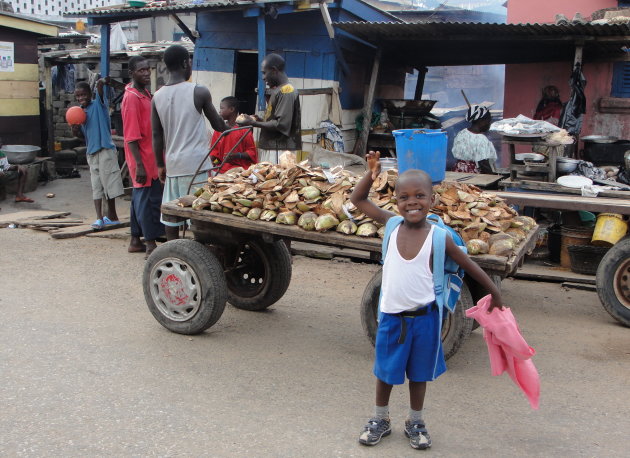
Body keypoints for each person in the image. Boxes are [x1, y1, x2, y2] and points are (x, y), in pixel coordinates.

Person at [350, 151, 503, 450]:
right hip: (392, 317)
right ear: (396, 202)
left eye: (420, 195)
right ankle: (380, 418)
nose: (412, 202)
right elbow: (358, 200)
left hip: (426, 319)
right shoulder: (392, 225)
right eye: (404, 197)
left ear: (432, 200)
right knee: (386, 372)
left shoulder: (439, 237)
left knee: (419, 374)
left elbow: (471, 266)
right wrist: (371, 174)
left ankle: (415, 421)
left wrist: (494, 294)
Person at [152, 44, 227, 241]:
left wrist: (160, 164)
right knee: (200, 215)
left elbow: (156, 135)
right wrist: (238, 125)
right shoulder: (199, 91)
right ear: (186, 63)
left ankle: (174, 251)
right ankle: (202, 254)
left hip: (173, 165)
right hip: (197, 166)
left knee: (171, 215)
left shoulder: (157, 97)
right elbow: (218, 125)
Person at [121, 56, 164, 257]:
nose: (146, 73)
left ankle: (135, 239)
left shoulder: (144, 93)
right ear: (132, 73)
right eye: (141, 70)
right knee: (148, 201)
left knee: (139, 199)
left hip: (150, 155)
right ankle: (150, 245)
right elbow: (130, 136)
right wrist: (138, 165)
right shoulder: (131, 98)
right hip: (143, 158)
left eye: (148, 69)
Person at [73, 79, 124, 229]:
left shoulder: (98, 105)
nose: (81, 98)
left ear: (90, 94)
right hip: (92, 153)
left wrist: (100, 83)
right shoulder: (80, 113)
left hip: (105, 150)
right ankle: (99, 218)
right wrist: (75, 131)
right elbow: (84, 136)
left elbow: (100, 91)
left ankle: (112, 216)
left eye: (84, 95)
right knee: (96, 186)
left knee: (109, 186)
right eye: (78, 96)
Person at [237, 53, 301, 164]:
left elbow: (281, 124)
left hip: (279, 150)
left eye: (264, 73)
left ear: (274, 70)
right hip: (273, 148)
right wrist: (260, 120)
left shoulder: (287, 91)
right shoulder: (279, 90)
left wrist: (253, 123)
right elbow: (275, 121)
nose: (263, 77)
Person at [210, 96, 257, 174]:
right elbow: (215, 152)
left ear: (232, 109)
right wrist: (210, 162)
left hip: (240, 170)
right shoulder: (218, 129)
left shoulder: (244, 130)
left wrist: (237, 155)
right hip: (221, 169)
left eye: (222, 108)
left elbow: (252, 152)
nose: (219, 111)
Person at [451, 105, 497, 174]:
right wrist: (493, 176)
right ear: (482, 121)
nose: (489, 124)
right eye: (489, 120)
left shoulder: (461, 133)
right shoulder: (481, 139)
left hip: (458, 171)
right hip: (473, 174)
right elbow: (483, 164)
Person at [0, 137, 34, 203]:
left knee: (22, 170)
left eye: (1, 142)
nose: (0, 144)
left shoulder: (2, 154)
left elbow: (6, 167)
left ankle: (19, 196)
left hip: (2, 175)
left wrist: (17, 166)